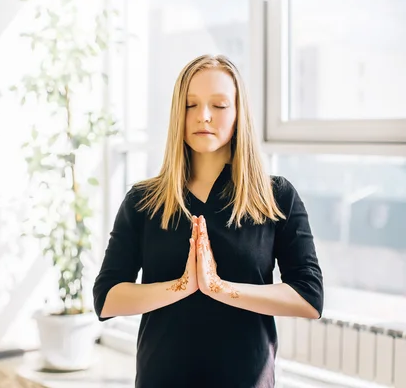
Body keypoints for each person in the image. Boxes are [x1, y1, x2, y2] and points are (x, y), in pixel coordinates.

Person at [92, 54, 324, 388]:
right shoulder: (143, 201)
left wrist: (219, 288)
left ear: (238, 113)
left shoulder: (276, 196)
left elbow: (309, 298)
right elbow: (107, 298)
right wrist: (182, 286)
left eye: (219, 105)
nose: (203, 116)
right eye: (191, 105)